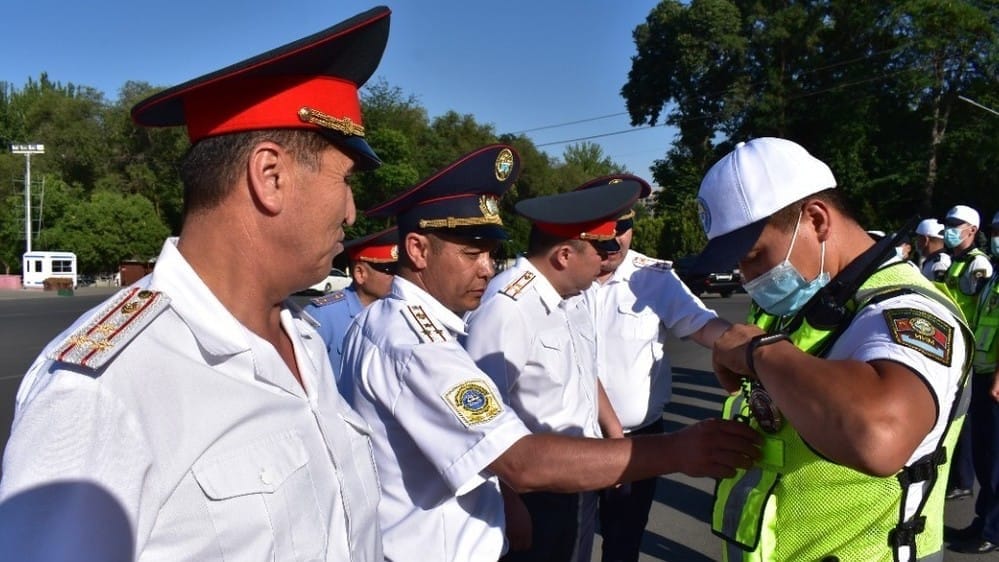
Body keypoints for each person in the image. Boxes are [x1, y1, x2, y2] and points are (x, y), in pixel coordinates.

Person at [0, 7, 391, 561]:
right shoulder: (104, 391)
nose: (353, 213)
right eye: (344, 181)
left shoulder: (303, 343)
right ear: (270, 177)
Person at [340, 144, 761, 562]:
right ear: (417, 250)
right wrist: (680, 450)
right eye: (472, 254)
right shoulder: (419, 345)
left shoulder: (386, 323)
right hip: (483, 521)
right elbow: (518, 461)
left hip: (556, 480)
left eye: (489, 253)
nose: (487, 269)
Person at [693, 137, 972, 561]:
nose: (746, 276)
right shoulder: (815, 301)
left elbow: (879, 436)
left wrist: (758, 352)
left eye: (753, 256)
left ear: (818, 220)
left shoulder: (909, 310)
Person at [463, 180, 640, 562]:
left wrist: (613, 436)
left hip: (580, 478)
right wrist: (509, 503)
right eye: (602, 248)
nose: (608, 259)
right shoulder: (508, 308)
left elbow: (584, 373)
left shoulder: (574, 297)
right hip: (534, 494)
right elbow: (479, 425)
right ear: (563, 255)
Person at [569, 174, 734, 562]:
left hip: (636, 443)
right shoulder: (560, 278)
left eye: (623, 227)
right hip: (570, 442)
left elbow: (701, 323)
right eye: (603, 231)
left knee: (623, 543)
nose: (614, 240)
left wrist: (742, 343)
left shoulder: (653, 277)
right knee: (565, 545)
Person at [949, 211, 999, 553]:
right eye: (995, 230)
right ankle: (983, 522)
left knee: (996, 461)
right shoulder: (996, 275)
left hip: (995, 380)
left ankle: (993, 532)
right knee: (984, 458)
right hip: (981, 373)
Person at [305, 226, 397, 386]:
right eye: (389, 269)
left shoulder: (397, 312)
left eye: (400, 270)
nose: (396, 278)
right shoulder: (323, 315)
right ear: (360, 274)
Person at [914, 218, 951, 282]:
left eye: (918, 238)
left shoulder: (940, 264)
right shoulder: (932, 261)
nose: (916, 242)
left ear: (925, 240)